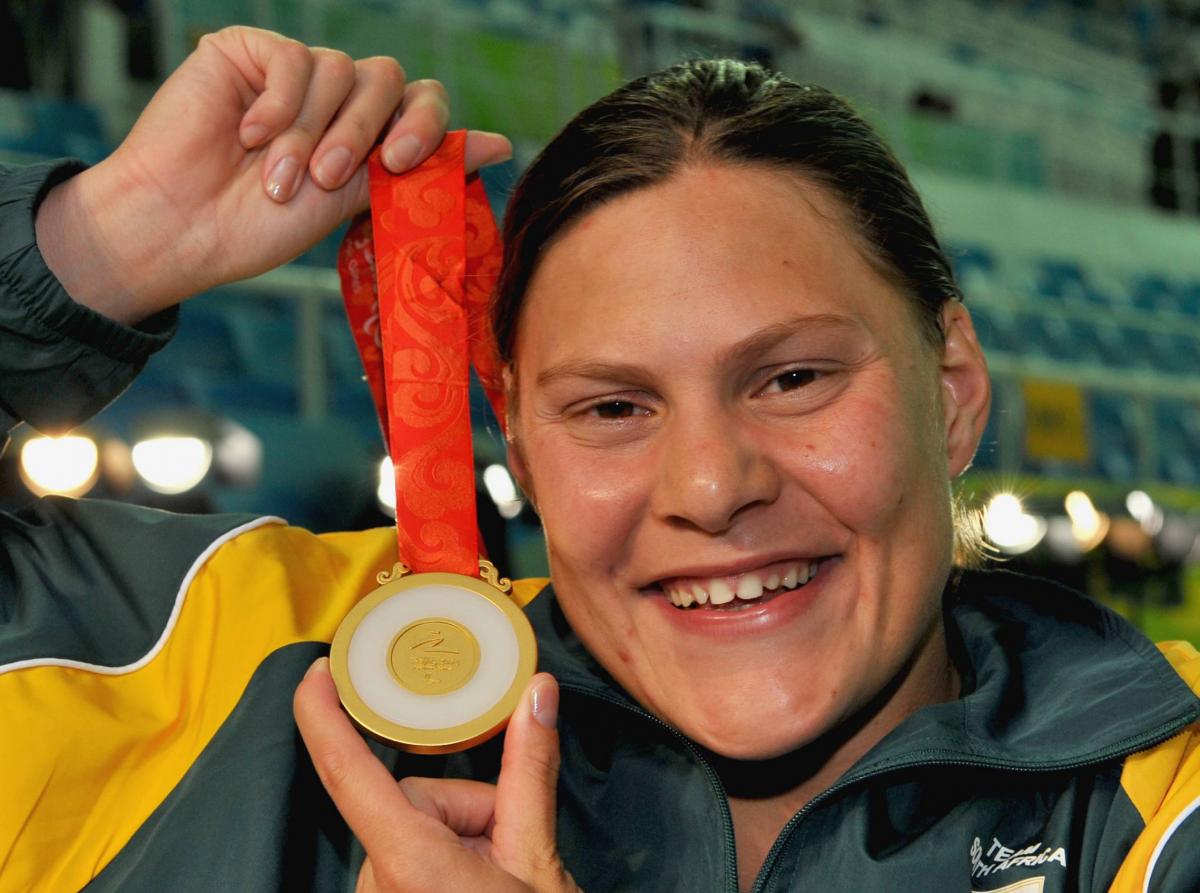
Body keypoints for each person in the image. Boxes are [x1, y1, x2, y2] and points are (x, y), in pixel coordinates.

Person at [1, 24, 1198, 893]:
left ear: (951, 392)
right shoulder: (244, 673)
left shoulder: (1160, 788)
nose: (714, 485)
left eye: (792, 378)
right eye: (615, 407)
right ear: (517, 435)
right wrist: (97, 245)